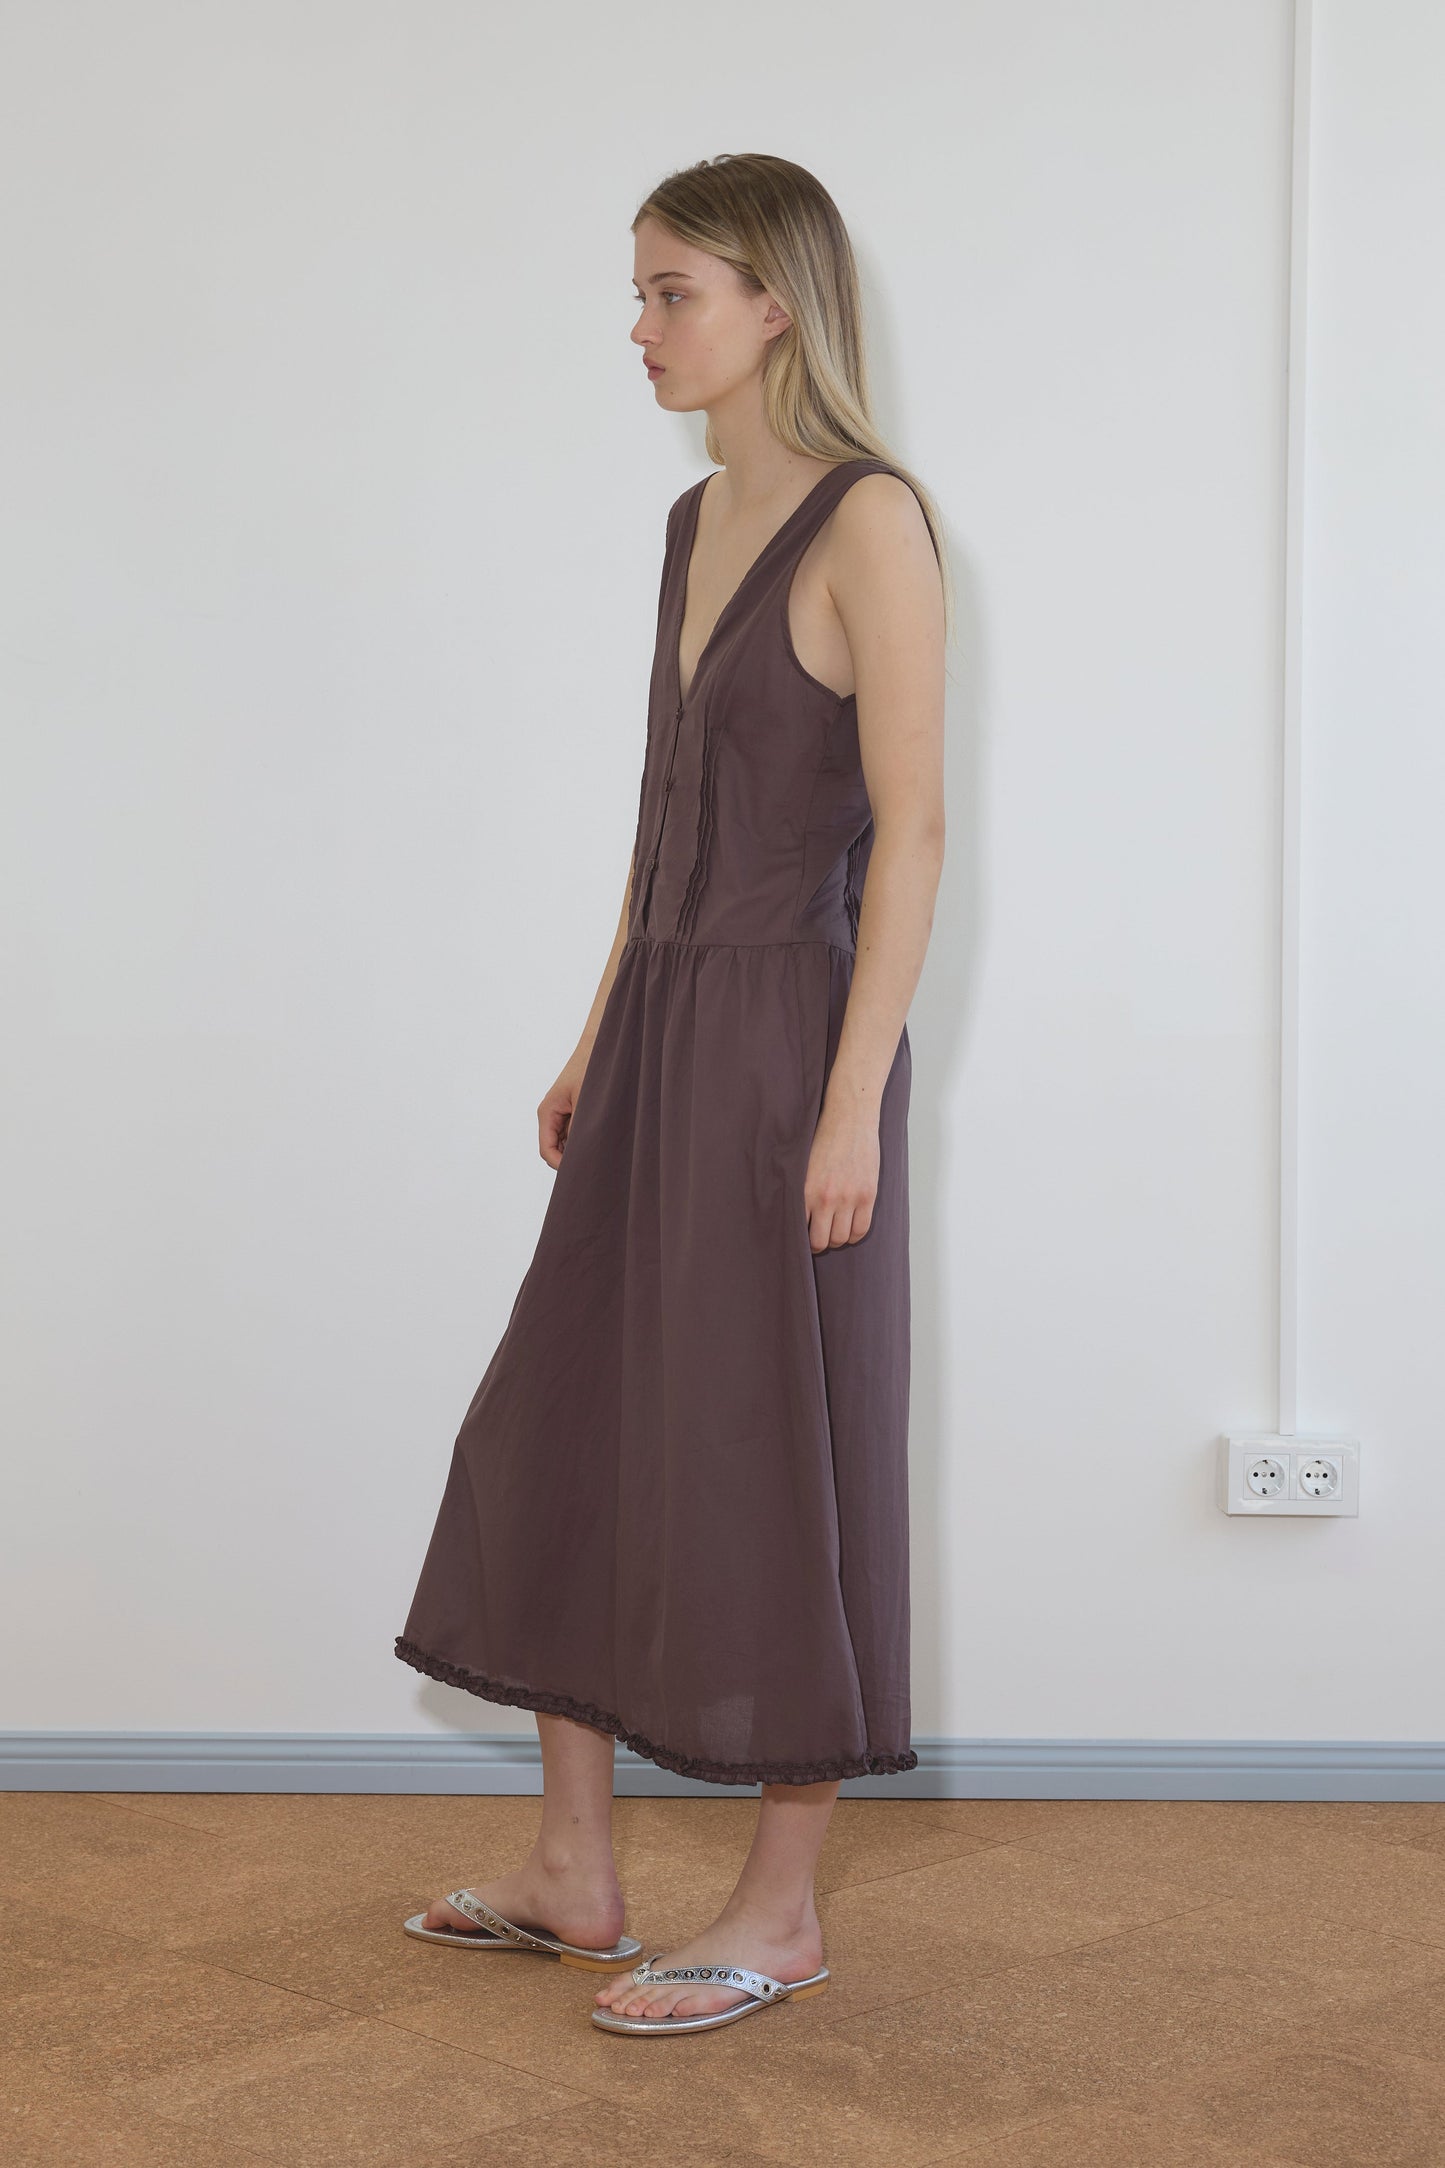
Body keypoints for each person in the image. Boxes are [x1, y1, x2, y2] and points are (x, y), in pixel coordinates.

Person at [395, 152, 948, 2037]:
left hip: (788, 1046)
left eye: (671, 290)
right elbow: (663, 823)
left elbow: (916, 835)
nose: (638, 327)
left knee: (766, 1454)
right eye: (636, 293)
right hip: (656, 1034)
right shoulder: (692, 517)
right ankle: (574, 1869)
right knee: (568, 1423)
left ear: (775, 303)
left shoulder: (873, 523)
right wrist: (589, 1029)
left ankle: (780, 1914)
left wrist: (855, 1101)